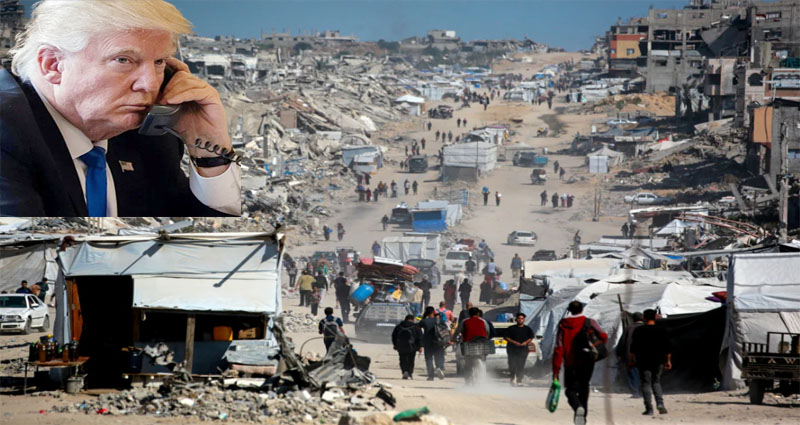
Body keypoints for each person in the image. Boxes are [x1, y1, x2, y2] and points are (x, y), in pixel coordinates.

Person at [1, 0, 241, 217]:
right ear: (53, 65)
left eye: (159, 62)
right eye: (124, 60)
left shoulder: (147, 137)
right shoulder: (7, 137)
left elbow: (208, 248)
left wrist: (209, 150)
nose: (149, 84)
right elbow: (27, 258)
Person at [553, 301, 608, 425]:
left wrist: (556, 369)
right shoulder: (589, 322)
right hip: (587, 360)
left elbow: (559, 346)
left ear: (569, 310)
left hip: (570, 362)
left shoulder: (563, 324)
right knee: (584, 388)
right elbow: (603, 335)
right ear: (582, 309)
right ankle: (582, 419)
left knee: (570, 390)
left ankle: (577, 407)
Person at [630, 309, 672, 416]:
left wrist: (631, 359)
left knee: (645, 383)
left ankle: (649, 408)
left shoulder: (639, 330)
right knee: (656, 382)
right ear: (655, 317)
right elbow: (667, 348)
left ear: (644, 318)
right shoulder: (662, 330)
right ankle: (660, 404)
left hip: (643, 360)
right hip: (658, 360)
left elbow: (633, 347)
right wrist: (668, 361)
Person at [458, 307, 491, 384]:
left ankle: (468, 382)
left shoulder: (464, 321)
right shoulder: (483, 321)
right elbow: (487, 332)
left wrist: (452, 339)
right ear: (478, 313)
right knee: (483, 361)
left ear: (469, 314)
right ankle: (483, 379)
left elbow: (458, 331)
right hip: (482, 344)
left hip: (468, 345)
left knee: (468, 364)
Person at [616, 312, 644, 398]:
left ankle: (635, 392)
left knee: (633, 373)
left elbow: (622, 342)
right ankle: (644, 392)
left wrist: (619, 353)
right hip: (644, 356)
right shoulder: (646, 327)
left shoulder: (629, 328)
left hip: (631, 355)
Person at [504, 312, 534, 386]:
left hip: (523, 350)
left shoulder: (527, 329)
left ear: (524, 320)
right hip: (512, 350)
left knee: (521, 365)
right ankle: (512, 378)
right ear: (516, 319)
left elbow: (531, 337)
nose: (520, 320)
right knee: (512, 364)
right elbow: (506, 337)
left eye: (522, 319)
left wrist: (525, 342)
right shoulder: (511, 328)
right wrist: (514, 342)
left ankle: (519, 380)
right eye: (519, 319)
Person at [418, 306, 446, 381]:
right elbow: (445, 329)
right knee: (439, 357)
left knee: (429, 359)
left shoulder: (424, 321)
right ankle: (439, 367)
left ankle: (431, 376)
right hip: (438, 342)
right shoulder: (439, 320)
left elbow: (417, 327)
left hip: (428, 343)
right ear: (433, 312)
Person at [392, 314, 423, 379]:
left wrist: (395, 345)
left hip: (401, 346)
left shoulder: (399, 326)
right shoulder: (416, 327)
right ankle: (410, 373)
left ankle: (404, 371)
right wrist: (420, 346)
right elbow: (420, 337)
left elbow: (394, 336)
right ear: (412, 319)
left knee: (402, 359)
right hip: (412, 346)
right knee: (411, 360)